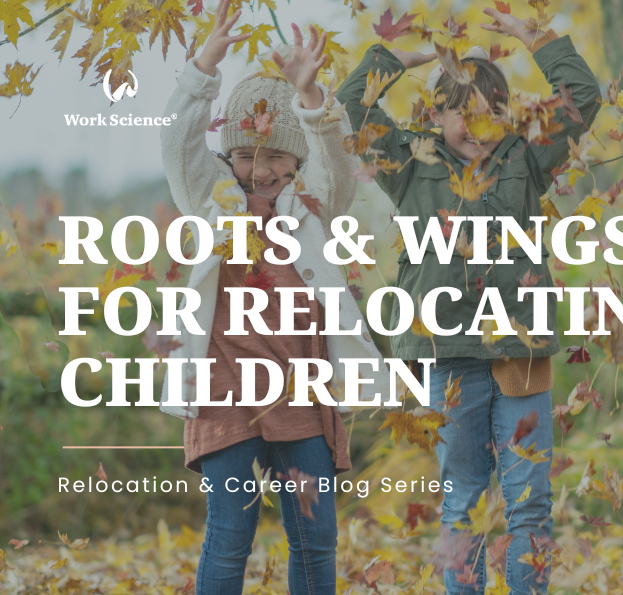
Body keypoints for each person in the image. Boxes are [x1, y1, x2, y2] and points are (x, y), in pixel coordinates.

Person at [334, 7, 600, 594]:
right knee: (462, 504)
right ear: (436, 115)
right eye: (463, 113)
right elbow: (350, 106)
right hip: (445, 353)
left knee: (530, 502)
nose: (477, 126)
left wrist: (539, 39)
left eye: (491, 113)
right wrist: (401, 58)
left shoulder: (527, 161)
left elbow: (583, 96)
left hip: (519, 352)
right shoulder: (409, 164)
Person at [158, 2, 387, 593]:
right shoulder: (207, 200)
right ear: (227, 155)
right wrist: (204, 66)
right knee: (229, 538)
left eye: (274, 156)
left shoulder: (312, 207)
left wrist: (311, 99)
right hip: (225, 393)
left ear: (295, 158)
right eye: (245, 154)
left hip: (301, 396)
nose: (258, 169)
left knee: (315, 540)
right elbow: (177, 139)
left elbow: (338, 161)